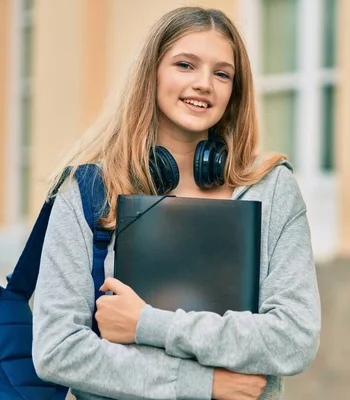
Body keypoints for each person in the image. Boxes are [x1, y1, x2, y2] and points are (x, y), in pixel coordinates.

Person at [32, 6, 321, 400]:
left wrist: (149, 325)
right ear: (152, 73)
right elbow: (57, 350)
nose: (204, 83)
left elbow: (293, 338)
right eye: (185, 65)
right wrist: (204, 384)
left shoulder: (269, 187)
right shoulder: (87, 192)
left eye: (222, 73)